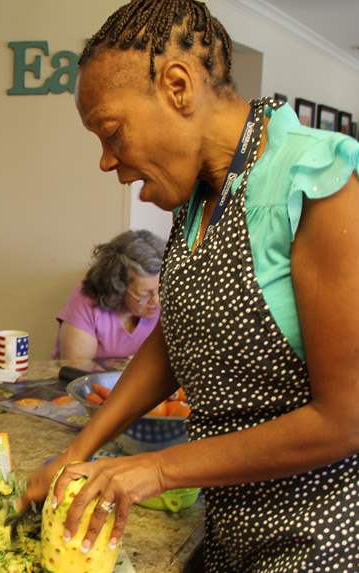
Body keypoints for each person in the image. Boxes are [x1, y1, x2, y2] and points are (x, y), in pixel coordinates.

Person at [20, 1, 359, 571]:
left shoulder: (318, 182)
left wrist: (153, 469)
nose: (107, 162)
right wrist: (78, 450)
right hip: (229, 522)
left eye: (111, 132)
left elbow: (346, 417)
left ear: (178, 86)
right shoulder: (202, 199)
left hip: (318, 538)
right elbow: (179, 335)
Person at [54, 230, 165, 364]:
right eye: (145, 294)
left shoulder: (169, 301)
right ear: (118, 286)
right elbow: (76, 367)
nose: (157, 301)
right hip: (90, 382)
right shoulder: (86, 299)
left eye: (162, 290)